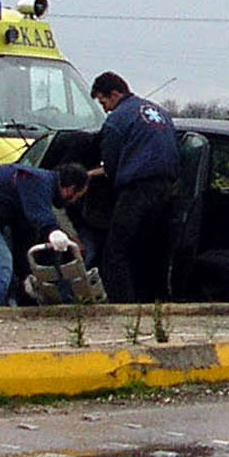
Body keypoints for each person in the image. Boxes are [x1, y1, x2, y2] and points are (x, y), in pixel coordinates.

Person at [0, 161, 89, 306]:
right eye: (77, 196)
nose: (74, 201)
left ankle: (4, 307)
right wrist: (53, 231)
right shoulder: (37, 181)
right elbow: (39, 214)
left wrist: (25, 274)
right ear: (70, 189)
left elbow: (23, 234)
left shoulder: (38, 185)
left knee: (3, 265)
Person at [90, 71, 181, 302]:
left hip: (137, 192)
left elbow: (110, 164)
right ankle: (156, 301)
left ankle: (123, 307)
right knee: (152, 251)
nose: (105, 109)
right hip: (167, 192)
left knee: (115, 253)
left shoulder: (118, 119)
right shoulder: (159, 112)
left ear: (114, 94)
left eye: (104, 102)